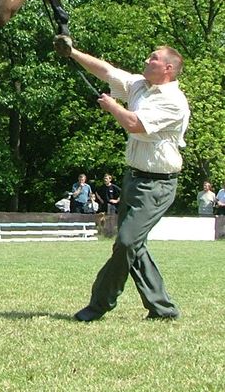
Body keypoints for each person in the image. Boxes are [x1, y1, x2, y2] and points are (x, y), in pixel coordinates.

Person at [55, 36, 190, 321]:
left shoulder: (173, 101)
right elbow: (106, 71)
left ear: (167, 68)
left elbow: (136, 124)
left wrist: (113, 107)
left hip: (158, 184)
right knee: (134, 245)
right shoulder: (141, 84)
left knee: (127, 242)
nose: (146, 60)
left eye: (153, 57)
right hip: (134, 178)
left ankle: (99, 304)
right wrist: (73, 52)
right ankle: (163, 309)